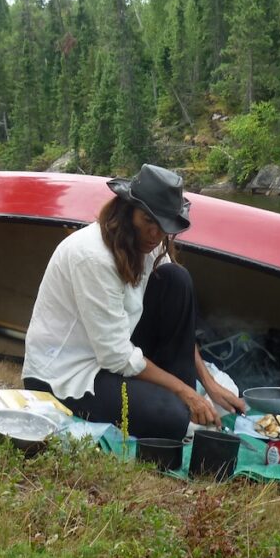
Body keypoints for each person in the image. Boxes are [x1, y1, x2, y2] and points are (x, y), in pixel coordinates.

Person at [22, 163, 246, 439]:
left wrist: (207, 385)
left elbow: (179, 327)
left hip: (113, 356)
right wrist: (185, 392)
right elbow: (115, 355)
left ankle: (185, 404)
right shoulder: (92, 257)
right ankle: (179, 408)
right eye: (148, 221)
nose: (155, 234)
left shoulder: (149, 244)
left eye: (164, 226)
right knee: (173, 417)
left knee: (176, 279)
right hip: (68, 374)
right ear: (127, 210)